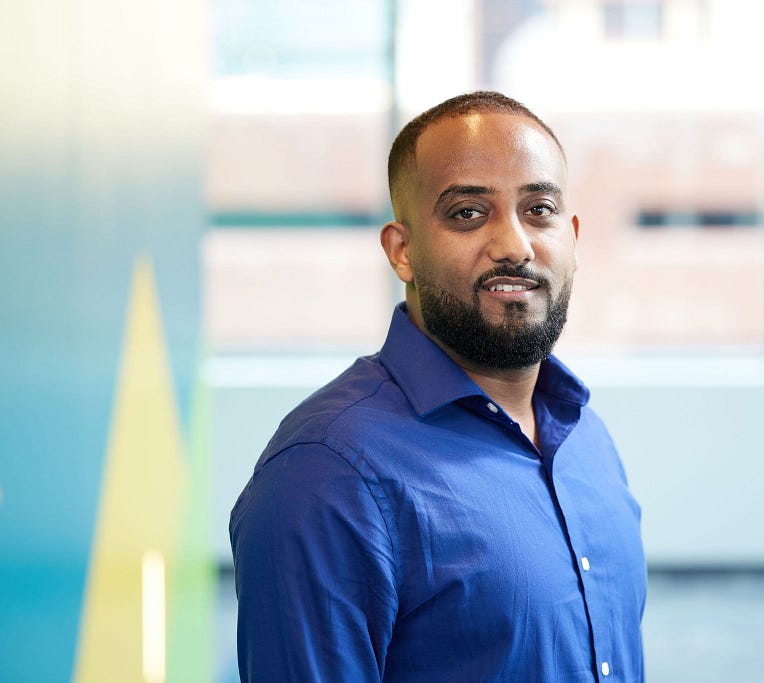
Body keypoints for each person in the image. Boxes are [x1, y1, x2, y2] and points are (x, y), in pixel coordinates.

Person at [230, 91, 647, 682]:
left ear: (572, 237)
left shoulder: (587, 440)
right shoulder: (327, 473)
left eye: (539, 210)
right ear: (402, 251)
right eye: (468, 213)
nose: (514, 246)